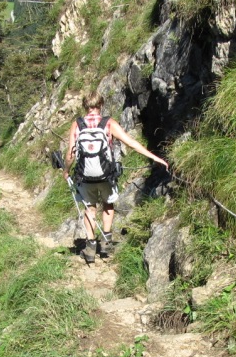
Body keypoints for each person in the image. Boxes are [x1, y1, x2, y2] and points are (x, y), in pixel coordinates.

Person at [66, 91, 168, 263]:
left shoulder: (77, 125)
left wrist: (66, 171)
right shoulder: (109, 123)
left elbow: (70, 154)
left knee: (90, 209)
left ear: (85, 106)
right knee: (108, 205)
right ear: (101, 105)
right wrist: (155, 158)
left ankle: (90, 248)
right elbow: (131, 143)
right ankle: (106, 243)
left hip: (85, 176)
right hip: (106, 175)